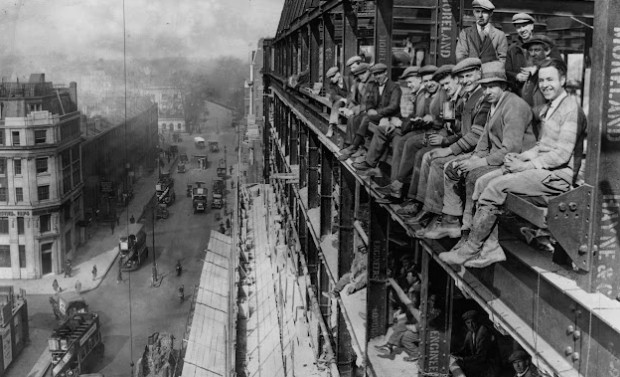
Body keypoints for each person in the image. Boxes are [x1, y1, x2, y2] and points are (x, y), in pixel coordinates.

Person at [440, 58, 586, 267]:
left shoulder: (571, 110)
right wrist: (522, 157)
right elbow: (543, 146)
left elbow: (561, 156)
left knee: (495, 186)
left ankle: (472, 248)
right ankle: (490, 248)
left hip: (560, 176)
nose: (545, 84)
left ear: (562, 79)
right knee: (483, 182)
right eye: (542, 80)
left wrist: (525, 165)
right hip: (544, 169)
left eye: (550, 80)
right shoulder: (552, 106)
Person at [421, 61, 535, 242]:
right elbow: (483, 140)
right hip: (495, 156)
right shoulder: (493, 103)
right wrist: (473, 157)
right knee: (453, 167)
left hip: (516, 162)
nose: (488, 91)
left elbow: (511, 149)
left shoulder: (513, 105)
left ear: (504, 86)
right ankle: (451, 223)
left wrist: (478, 162)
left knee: (473, 174)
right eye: (485, 87)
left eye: (492, 86)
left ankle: (469, 233)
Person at [401, 58, 490, 225]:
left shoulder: (480, 98)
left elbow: (473, 134)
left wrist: (447, 145)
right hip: (464, 145)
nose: (465, 81)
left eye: (468, 76)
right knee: (426, 154)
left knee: (435, 161)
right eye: (462, 77)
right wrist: (446, 138)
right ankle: (424, 207)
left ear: (480, 73)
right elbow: (458, 130)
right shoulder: (466, 97)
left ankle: (433, 213)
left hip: (476, 151)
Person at [350, 63, 403, 171]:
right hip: (379, 116)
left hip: (390, 117)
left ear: (386, 73)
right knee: (362, 116)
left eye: (380, 73)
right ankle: (361, 147)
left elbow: (394, 106)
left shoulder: (394, 87)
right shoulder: (374, 86)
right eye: (375, 74)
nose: (377, 76)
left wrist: (377, 112)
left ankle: (357, 146)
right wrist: (370, 109)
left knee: (366, 119)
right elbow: (369, 101)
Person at [339, 63, 376, 159]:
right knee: (352, 118)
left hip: (371, 110)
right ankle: (352, 145)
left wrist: (355, 110)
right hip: (363, 109)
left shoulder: (371, 83)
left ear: (368, 72)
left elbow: (368, 102)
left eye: (363, 74)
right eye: (359, 74)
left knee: (358, 118)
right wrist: (350, 109)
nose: (361, 76)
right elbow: (355, 100)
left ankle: (357, 146)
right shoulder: (359, 82)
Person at [451, 310, 500, 377]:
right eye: (468, 323)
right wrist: (454, 354)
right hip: (479, 363)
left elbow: (481, 356)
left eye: (473, 322)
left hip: (490, 366)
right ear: (466, 324)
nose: (471, 325)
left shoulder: (483, 331)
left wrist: (462, 359)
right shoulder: (470, 333)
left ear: (477, 321)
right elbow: (465, 349)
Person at [520, 35, 558, 109]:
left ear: (547, 51)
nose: (532, 54)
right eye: (530, 50)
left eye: (537, 50)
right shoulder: (534, 71)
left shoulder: (552, 70)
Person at [325, 66, 351, 138]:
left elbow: (352, 93)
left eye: (332, 77)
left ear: (338, 75)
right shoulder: (332, 84)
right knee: (337, 103)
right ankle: (331, 126)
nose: (331, 79)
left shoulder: (348, 80)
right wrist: (342, 99)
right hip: (341, 102)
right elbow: (333, 95)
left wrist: (347, 100)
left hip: (350, 102)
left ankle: (331, 127)